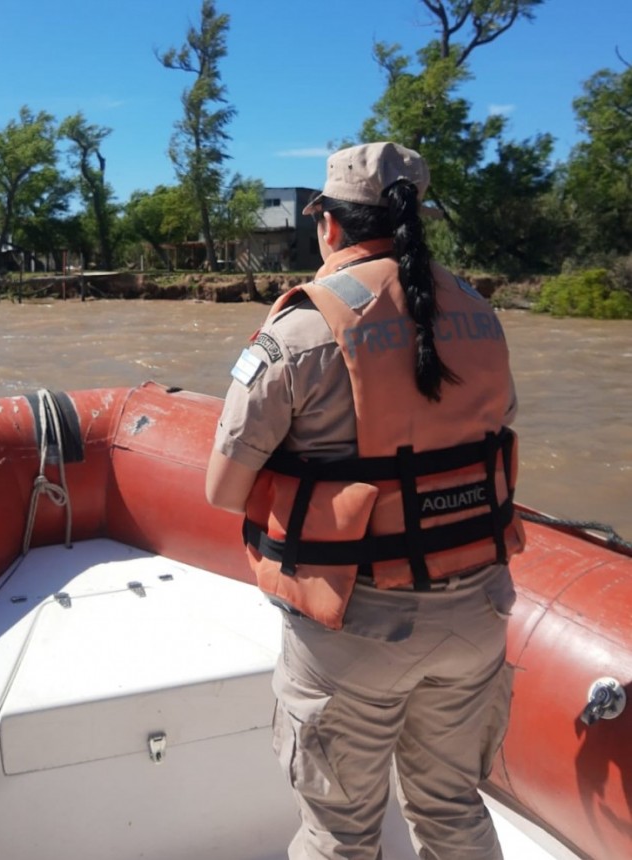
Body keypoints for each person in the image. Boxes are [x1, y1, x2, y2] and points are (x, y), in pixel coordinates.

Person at [206, 141, 525, 860]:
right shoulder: (483, 316)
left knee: (339, 837)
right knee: (451, 808)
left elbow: (222, 491)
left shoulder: (300, 330)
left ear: (327, 226)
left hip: (354, 629)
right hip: (477, 617)